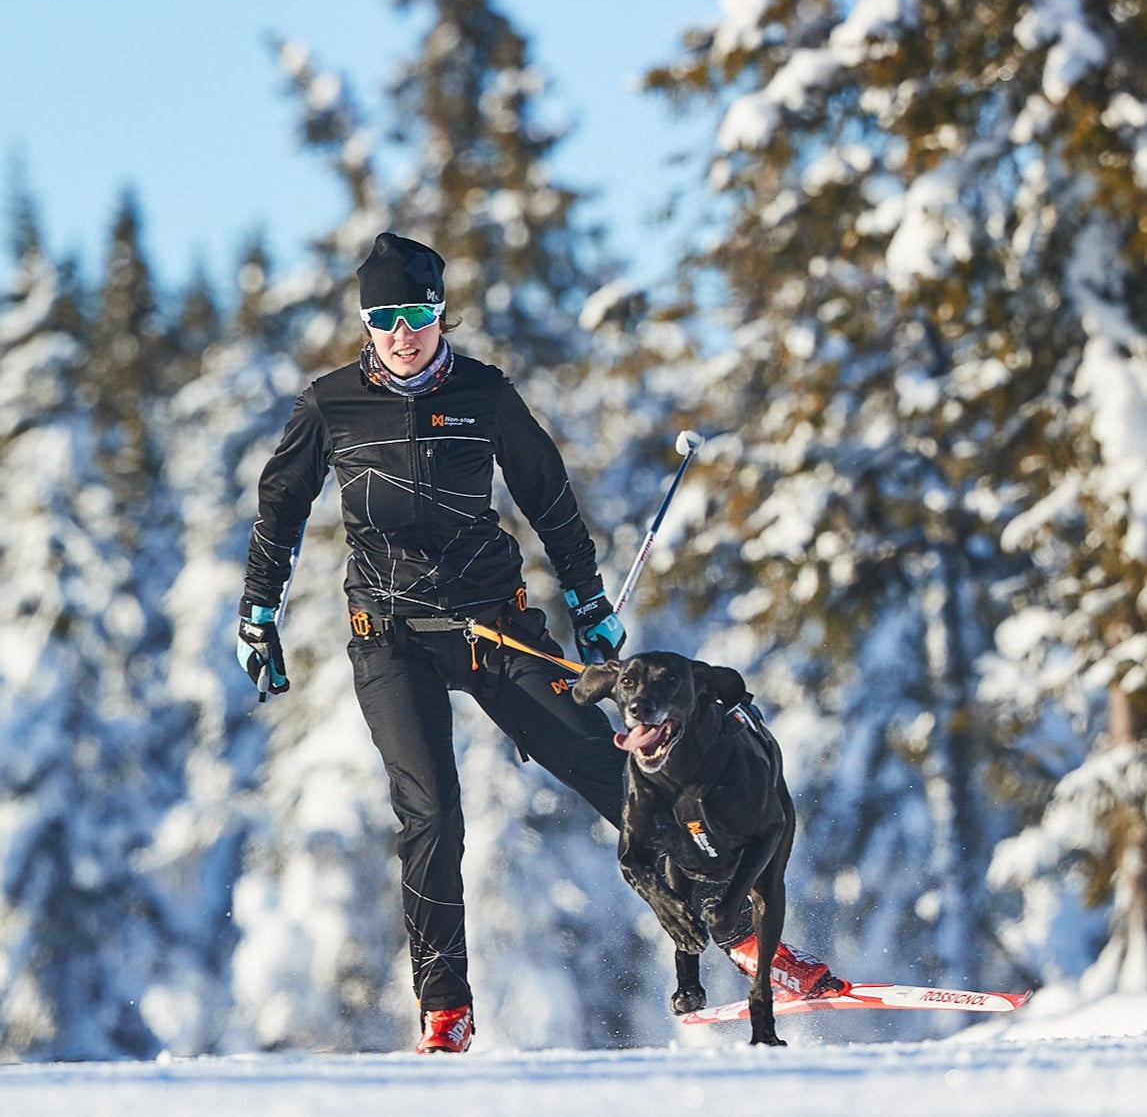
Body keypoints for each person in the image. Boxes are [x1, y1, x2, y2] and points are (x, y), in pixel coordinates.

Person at [237, 232, 839, 1054]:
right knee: (430, 814)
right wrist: (258, 611)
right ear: (366, 322)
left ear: (440, 313)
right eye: (384, 317)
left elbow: (548, 498)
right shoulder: (331, 404)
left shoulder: (484, 395)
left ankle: (737, 935)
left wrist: (589, 601)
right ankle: (444, 1004)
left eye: (417, 313)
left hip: (495, 625)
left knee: (617, 770)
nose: (402, 332)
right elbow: (280, 505)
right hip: (392, 638)